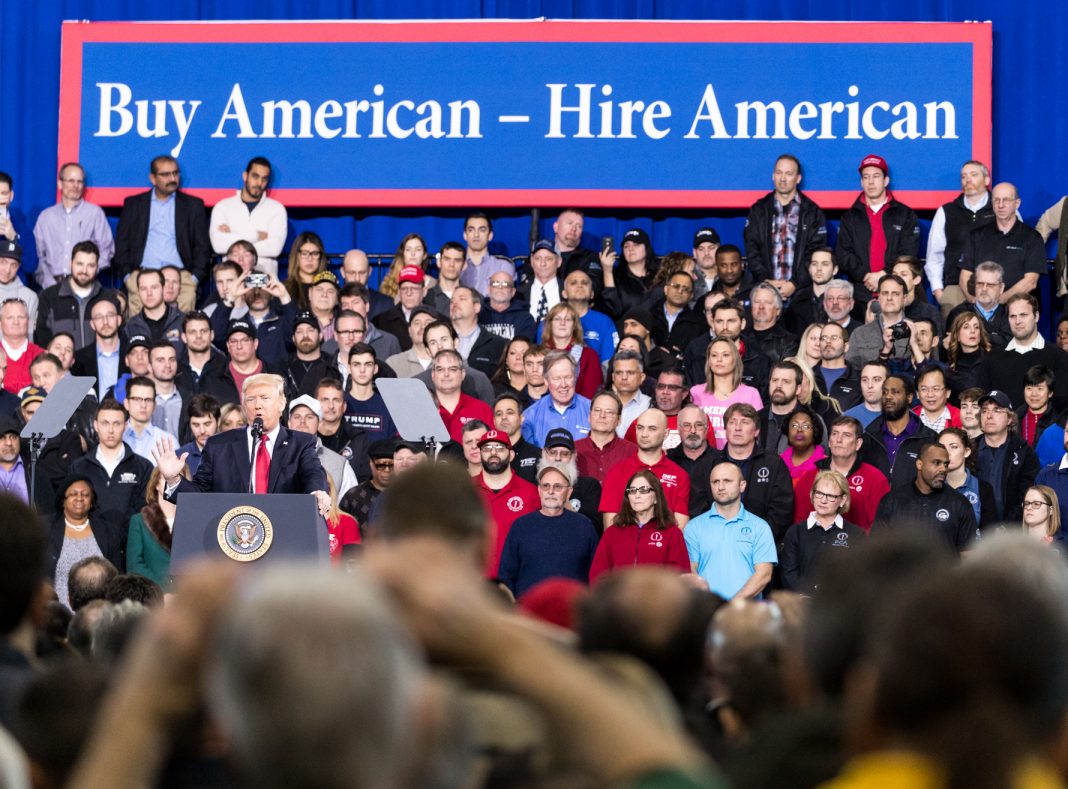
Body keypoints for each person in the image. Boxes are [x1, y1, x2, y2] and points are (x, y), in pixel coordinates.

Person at [155, 374, 330, 516]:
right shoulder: (219, 445)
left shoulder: (301, 443)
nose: (257, 405)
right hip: (232, 538)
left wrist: (316, 492)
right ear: (244, 406)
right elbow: (200, 494)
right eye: (251, 399)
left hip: (283, 536)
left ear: (281, 403)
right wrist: (173, 479)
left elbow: (313, 474)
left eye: (265, 398)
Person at [112, 155, 208, 313]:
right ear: (153, 178)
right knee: (139, 323)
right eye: (166, 174)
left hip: (181, 276)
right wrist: (128, 277)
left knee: (184, 318)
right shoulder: (134, 204)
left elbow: (202, 247)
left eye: (175, 173)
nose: (173, 179)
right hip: (143, 273)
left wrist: (194, 279)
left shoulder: (193, 205)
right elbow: (122, 245)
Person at [498, 463, 599, 596]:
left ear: (569, 492)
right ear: (539, 490)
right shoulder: (521, 526)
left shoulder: (584, 526)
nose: (551, 491)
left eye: (557, 487)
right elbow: (506, 576)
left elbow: (597, 575)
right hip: (528, 607)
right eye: (545, 486)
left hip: (573, 607)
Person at [834, 154, 920, 301]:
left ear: (886, 181)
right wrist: (865, 275)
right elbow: (843, 255)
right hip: (860, 293)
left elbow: (908, 252)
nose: (871, 182)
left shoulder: (905, 214)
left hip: (897, 293)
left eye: (876, 176)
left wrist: (884, 274)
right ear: (861, 182)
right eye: (866, 177)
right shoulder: (849, 217)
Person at [685, 461, 776, 599]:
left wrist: (733, 605)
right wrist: (709, 605)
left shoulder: (760, 527)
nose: (720, 487)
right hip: (707, 608)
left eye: (727, 481)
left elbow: (764, 575)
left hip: (747, 610)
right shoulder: (693, 527)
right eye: (715, 482)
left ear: (742, 485)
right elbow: (691, 572)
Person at [744, 153, 828, 300]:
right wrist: (765, 281)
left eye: (789, 174)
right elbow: (752, 250)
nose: (782, 178)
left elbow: (815, 252)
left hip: (801, 294)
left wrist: (795, 283)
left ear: (798, 178)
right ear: (773, 176)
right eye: (779, 173)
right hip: (766, 294)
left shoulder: (812, 212)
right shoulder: (759, 210)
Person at [871, 441, 978, 555]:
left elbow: (968, 555)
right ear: (919, 464)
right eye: (936, 463)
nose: (943, 469)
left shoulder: (959, 503)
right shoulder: (892, 501)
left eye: (946, 464)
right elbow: (878, 550)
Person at [588, 469, 690, 583]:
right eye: (632, 491)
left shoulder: (672, 533)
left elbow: (680, 577)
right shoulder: (612, 533)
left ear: (656, 497)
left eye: (643, 490)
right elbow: (598, 575)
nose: (637, 495)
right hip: (618, 594)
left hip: (658, 594)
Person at [599, 408, 691, 530]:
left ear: (666, 433)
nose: (644, 434)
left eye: (652, 429)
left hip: (664, 541)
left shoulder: (679, 475)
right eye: (640, 428)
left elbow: (680, 527)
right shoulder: (616, 473)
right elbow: (610, 527)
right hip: (626, 541)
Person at [793, 415, 890, 531]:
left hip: (860, 542)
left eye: (846, 435)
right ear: (829, 442)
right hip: (815, 541)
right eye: (835, 434)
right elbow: (799, 525)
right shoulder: (809, 478)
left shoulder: (875, 479)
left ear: (858, 444)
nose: (839, 440)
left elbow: (880, 528)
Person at [925, 160, 994, 318]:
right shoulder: (946, 211)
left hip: (993, 289)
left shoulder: (1000, 209)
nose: (968, 180)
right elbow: (934, 256)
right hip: (954, 290)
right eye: (964, 176)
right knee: (952, 334)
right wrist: (939, 293)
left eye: (974, 175)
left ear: (986, 180)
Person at [44, 475, 125, 608]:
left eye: (85, 494)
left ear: (92, 501)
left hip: (101, 613)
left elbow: (118, 577)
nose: (79, 498)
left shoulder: (109, 531)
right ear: (63, 501)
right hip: (57, 612)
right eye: (73, 494)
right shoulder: (45, 528)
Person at [70, 399, 153, 527]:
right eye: (105, 423)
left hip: (130, 538)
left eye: (116, 424)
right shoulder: (79, 467)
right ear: (95, 425)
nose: (110, 430)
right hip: (91, 537)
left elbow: (146, 512)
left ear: (125, 426)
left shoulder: (143, 467)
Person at [781, 470, 865, 594]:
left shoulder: (856, 535)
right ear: (812, 494)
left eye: (831, 496)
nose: (823, 500)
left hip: (840, 602)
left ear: (842, 500)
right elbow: (788, 573)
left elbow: (858, 575)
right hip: (801, 601)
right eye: (819, 493)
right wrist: (806, 597)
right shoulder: (795, 532)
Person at [32, 162, 114, 288]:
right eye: (71, 181)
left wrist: (87, 273)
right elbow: (38, 254)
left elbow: (106, 250)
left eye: (79, 181)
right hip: (51, 287)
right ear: (60, 184)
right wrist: (47, 281)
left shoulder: (95, 213)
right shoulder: (46, 217)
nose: (76, 186)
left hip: (85, 287)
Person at [960, 182, 1046, 302]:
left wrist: (997, 303)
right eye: (996, 200)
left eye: (1006, 200)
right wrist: (974, 302)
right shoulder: (976, 235)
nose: (1000, 205)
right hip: (980, 304)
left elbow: (1030, 282)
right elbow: (964, 276)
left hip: (1017, 306)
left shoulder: (1032, 238)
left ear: (1017, 203)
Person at [982, 294, 1068, 412]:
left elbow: (1061, 404)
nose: (1017, 321)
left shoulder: (1059, 357)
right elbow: (985, 402)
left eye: (1023, 315)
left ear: (1036, 316)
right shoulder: (992, 358)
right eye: (1013, 316)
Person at [472, 429, 540, 577]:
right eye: (487, 448)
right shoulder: (465, 489)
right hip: (473, 580)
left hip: (516, 580)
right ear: (480, 454)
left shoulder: (531, 493)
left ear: (511, 455)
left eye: (500, 448)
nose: (493, 453)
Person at [208, 157, 287, 278]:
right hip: (231, 278)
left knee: (255, 287)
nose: (259, 183)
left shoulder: (276, 209)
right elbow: (218, 246)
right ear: (245, 176)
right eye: (255, 176)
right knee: (231, 287)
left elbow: (274, 248)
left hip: (262, 277)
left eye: (264, 179)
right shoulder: (222, 207)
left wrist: (233, 236)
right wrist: (256, 236)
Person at [859, 375, 937, 487]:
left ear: (909, 397)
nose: (888, 397)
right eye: (885, 392)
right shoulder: (868, 437)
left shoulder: (929, 439)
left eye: (895, 392)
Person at [975, 390, 1040, 523]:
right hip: (974, 527)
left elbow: (1028, 496)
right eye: (984, 411)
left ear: (1010, 419)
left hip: (1012, 529)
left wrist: (1007, 527)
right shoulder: (969, 449)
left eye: (997, 410)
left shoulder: (1024, 452)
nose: (989, 416)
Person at [689, 337, 763, 449]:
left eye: (725, 355)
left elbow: (758, 432)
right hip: (703, 455)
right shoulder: (695, 392)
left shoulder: (751, 394)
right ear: (709, 361)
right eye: (714, 355)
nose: (719, 359)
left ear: (736, 359)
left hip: (737, 455)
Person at [124, 464, 186, 587]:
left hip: (187, 594)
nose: (172, 483)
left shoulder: (192, 519)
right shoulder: (139, 521)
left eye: (178, 478)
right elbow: (134, 565)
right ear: (156, 484)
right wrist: (161, 590)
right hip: (152, 594)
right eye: (167, 478)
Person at [287, 394, 358, 500]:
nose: (302, 422)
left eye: (309, 417)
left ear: (319, 423)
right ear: (289, 423)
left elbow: (351, 503)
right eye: (297, 417)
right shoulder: (273, 456)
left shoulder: (340, 464)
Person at [520, 351, 592, 446]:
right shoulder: (530, 416)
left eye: (567, 377)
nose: (563, 384)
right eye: (557, 378)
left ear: (575, 378)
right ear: (546, 381)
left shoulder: (592, 410)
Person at [939, 427, 997, 532]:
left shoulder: (983, 488)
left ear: (966, 451)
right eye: (942, 447)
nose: (947, 452)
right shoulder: (931, 486)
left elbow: (989, 533)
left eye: (954, 447)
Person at [540, 302, 603, 399]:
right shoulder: (539, 354)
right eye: (557, 319)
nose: (562, 323)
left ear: (574, 325)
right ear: (550, 324)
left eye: (568, 319)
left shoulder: (589, 356)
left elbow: (591, 397)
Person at [945, 260, 1012, 350]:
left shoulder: (1010, 314)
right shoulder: (958, 313)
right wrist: (995, 337)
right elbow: (952, 348)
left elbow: (1010, 345)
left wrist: (973, 337)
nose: (984, 289)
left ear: (1001, 288)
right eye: (980, 284)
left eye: (990, 285)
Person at [432, 348, 493, 443]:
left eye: (452, 369)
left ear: (463, 374)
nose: (446, 374)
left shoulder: (482, 409)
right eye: (440, 369)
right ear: (433, 375)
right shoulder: (422, 410)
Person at [575, 390, 637, 483]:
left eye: (609, 412)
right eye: (597, 410)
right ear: (589, 416)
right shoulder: (574, 449)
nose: (602, 415)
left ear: (619, 419)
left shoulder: (632, 451)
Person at [449, 285, 507, 380]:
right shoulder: (439, 339)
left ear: (476, 307)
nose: (454, 303)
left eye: (462, 299)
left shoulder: (498, 344)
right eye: (452, 300)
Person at [339, 438, 394, 532]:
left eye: (391, 465)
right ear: (371, 463)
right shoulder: (354, 495)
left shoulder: (405, 494)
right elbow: (340, 528)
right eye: (381, 465)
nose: (387, 470)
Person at [560, 268, 616, 361]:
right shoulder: (551, 321)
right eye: (573, 283)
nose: (580, 286)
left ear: (592, 294)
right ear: (564, 293)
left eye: (585, 283)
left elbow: (608, 362)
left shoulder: (605, 322)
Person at [460, 212, 514, 297]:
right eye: (471, 230)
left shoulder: (503, 267)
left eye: (482, 230)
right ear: (465, 235)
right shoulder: (455, 266)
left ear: (490, 235)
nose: (476, 235)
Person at [944, 311, 991, 402]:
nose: (973, 331)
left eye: (976, 327)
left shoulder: (991, 361)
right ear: (957, 336)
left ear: (980, 334)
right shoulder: (950, 369)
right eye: (966, 327)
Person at [480, 269, 537, 342]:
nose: (500, 287)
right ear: (488, 289)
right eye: (495, 284)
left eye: (505, 284)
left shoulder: (525, 318)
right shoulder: (477, 315)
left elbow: (523, 346)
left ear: (513, 292)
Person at [0, 298, 43, 394]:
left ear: (28, 321)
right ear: (0, 322)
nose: (16, 322)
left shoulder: (41, 356)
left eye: (21, 317)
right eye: (10, 317)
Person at [282, 231, 328, 310]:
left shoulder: (328, 288)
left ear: (321, 257)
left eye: (315, 253)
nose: (310, 259)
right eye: (304, 253)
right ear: (296, 256)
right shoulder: (285, 288)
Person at [780, 404, 826, 481]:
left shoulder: (826, 465)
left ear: (815, 431)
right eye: (794, 426)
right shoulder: (778, 462)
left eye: (805, 426)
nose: (799, 430)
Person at [1018, 365, 1060, 448]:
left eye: (1040, 388)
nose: (1034, 394)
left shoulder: (1058, 424)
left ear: (1050, 393)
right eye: (1029, 388)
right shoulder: (1013, 419)